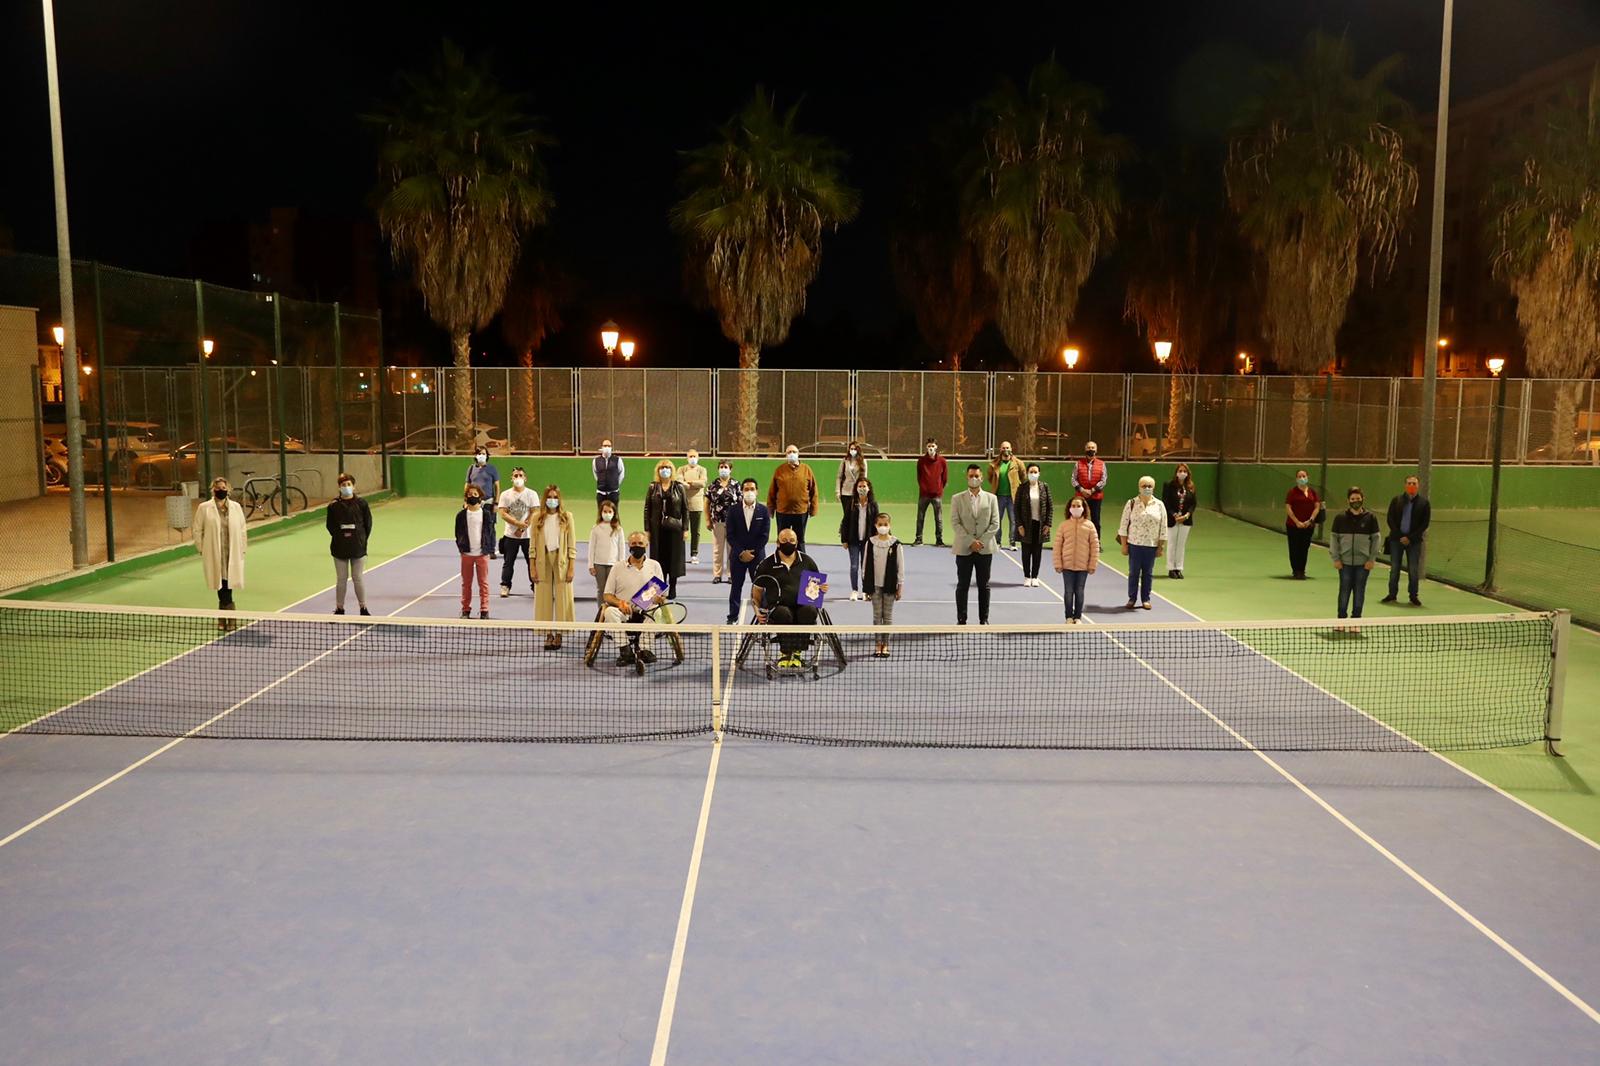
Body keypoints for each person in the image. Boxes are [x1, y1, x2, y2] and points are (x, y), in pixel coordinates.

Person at [753, 528, 828, 669]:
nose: (788, 543)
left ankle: (797, 653)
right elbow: (756, 592)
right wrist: (757, 610)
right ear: (777, 543)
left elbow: (817, 585)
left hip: (802, 605)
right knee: (783, 614)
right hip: (777, 607)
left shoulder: (807, 561)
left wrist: (822, 588)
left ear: (797, 542)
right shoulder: (767, 564)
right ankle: (786, 653)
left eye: (792, 540)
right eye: (784, 540)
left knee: (810, 612)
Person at [602, 531, 667, 667]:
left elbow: (661, 593)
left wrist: (659, 599)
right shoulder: (617, 567)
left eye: (640, 543)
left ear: (646, 545)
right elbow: (607, 595)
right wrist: (620, 603)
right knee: (609, 612)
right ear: (629, 545)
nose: (637, 546)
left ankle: (644, 649)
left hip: (645, 610)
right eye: (633, 544)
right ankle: (625, 651)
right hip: (623, 611)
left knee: (656, 611)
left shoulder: (654, 566)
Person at [529, 484, 577, 649]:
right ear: (545, 499)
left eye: (555, 497)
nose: (552, 500)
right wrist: (532, 567)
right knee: (543, 599)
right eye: (549, 497)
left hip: (561, 561)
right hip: (543, 561)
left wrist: (571, 567)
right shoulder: (537, 518)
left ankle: (560, 634)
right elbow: (533, 545)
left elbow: (572, 545)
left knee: (563, 598)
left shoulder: (567, 517)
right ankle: (548, 634)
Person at [951, 463, 999, 625]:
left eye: (976, 476)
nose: (974, 479)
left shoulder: (992, 499)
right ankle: (961, 618)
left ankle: (983, 618)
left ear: (982, 478)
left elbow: (995, 523)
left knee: (983, 585)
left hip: (985, 550)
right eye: (971, 476)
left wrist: (981, 542)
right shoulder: (957, 498)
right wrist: (971, 542)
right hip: (964, 549)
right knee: (962, 585)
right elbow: (955, 523)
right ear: (967, 477)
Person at [194, 476, 246, 621]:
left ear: (228, 490)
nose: (221, 491)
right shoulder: (204, 508)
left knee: (229, 582)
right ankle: (230, 615)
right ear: (213, 490)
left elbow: (242, 529)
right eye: (218, 488)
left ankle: (224, 615)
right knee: (221, 583)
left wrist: (243, 548)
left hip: (232, 552)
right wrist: (202, 549)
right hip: (214, 552)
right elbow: (197, 530)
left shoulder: (236, 507)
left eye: (224, 488)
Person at [1330, 485, 1382, 629]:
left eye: (1358, 499)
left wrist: (1372, 559)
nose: (1355, 501)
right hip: (1344, 563)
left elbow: (1376, 539)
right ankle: (1341, 620)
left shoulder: (1371, 518)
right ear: (1348, 501)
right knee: (1344, 590)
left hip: (1363, 564)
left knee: (1360, 591)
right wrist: (1336, 558)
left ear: (1362, 499)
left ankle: (1356, 621)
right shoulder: (1340, 518)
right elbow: (1334, 539)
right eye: (1353, 499)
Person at [1117, 475, 1168, 610]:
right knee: (1133, 572)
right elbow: (1123, 525)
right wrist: (1124, 545)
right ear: (1139, 487)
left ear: (1153, 488)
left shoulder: (1159, 505)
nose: (1147, 488)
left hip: (1151, 545)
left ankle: (1146, 599)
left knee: (1148, 573)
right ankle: (1132, 598)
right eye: (1144, 486)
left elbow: (1163, 527)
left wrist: (1160, 547)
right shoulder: (1131, 503)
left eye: (1149, 486)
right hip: (1134, 544)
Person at [325, 472, 372, 616]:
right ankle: (340, 609)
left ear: (354, 486)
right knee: (341, 579)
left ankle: (363, 608)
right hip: (339, 549)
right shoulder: (333, 506)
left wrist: (361, 539)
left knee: (357, 578)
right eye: (343, 485)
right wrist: (341, 537)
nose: (346, 487)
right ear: (339, 488)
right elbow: (330, 526)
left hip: (358, 548)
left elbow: (368, 524)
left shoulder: (362, 504)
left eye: (348, 484)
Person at [725, 477, 771, 623]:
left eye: (752, 489)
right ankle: (732, 617)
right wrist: (741, 553)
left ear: (757, 492)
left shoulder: (763, 511)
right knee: (736, 588)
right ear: (742, 492)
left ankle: (763, 616)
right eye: (746, 489)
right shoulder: (733, 510)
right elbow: (730, 535)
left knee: (759, 586)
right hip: (738, 557)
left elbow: (764, 536)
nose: (749, 492)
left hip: (757, 557)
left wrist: (752, 553)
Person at [1382, 475, 1431, 607]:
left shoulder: (1424, 503)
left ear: (1418, 486)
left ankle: (1413, 596)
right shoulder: (1396, 500)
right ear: (1405, 485)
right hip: (1396, 541)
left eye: (1414, 483)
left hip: (1414, 542)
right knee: (1394, 569)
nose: (1412, 486)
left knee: (1413, 569)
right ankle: (1392, 594)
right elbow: (1390, 519)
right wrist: (1400, 536)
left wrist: (1410, 538)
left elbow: (1424, 524)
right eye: (1409, 483)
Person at [861, 511, 905, 657]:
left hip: (890, 587)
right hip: (874, 587)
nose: (883, 527)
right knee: (876, 616)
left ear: (889, 525)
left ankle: (886, 645)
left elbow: (900, 567)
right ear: (875, 525)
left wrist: (900, 586)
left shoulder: (896, 544)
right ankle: (878, 644)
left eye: (885, 525)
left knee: (887, 617)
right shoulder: (870, 542)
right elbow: (865, 565)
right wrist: (865, 587)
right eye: (880, 524)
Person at [1052, 493, 1100, 623]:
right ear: (1069, 508)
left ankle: (1078, 617)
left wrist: (1092, 564)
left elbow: (1095, 546)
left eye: (1078, 505)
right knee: (1068, 591)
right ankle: (1068, 616)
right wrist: (1058, 563)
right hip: (1067, 566)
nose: (1075, 508)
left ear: (1083, 508)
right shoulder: (1064, 525)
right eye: (1073, 506)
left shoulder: (1090, 526)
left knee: (1079, 591)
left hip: (1083, 566)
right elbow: (1057, 546)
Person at [644, 460, 689, 599]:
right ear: (658, 471)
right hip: (657, 530)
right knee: (658, 559)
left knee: (673, 559)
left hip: (675, 529)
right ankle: (658, 588)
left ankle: (673, 587)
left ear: (672, 470)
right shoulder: (653, 487)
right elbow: (647, 509)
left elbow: (685, 509)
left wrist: (685, 528)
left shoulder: (679, 487)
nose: (665, 470)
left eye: (668, 467)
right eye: (662, 468)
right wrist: (647, 530)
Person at [768, 444, 819, 552]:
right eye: (789, 452)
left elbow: (813, 490)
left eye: (794, 452)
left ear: (798, 454)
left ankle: (801, 565)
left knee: (799, 540)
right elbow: (772, 491)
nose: (792, 454)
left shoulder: (807, 470)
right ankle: (780, 564)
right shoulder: (779, 470)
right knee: (782, 539)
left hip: (801, 512)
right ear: (786, 455)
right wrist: (770, 509)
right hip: (783, 512)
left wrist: (813, 509)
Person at [497, 467, 537, 597]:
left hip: (528, 536)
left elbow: (534, 512)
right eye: (515, 476)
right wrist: (516, 524)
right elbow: (502, 513)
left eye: (520, 475)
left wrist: (522, 528)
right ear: (511, 478)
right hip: (510, 535)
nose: (518, 478)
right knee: (508, 562)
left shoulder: (532, 494)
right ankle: (505, 585)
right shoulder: (505, 494)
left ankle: (535, 586)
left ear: (525, 478)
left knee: (531, 562)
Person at [838, 476, 880, 601]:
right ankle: (854, 590)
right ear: (856, 488)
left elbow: (877, 522)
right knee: (854, 566)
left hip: (868, 541)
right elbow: (845, 522)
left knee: (865, 567)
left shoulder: (873, 505)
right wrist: (844, 540)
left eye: (864, 486)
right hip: (853, 540)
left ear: (869, 488)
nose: (862, 488)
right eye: (860, 486)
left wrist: (877, 539)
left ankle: (866, 591)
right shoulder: (851, 504)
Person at [1013, 462, 1053, 587]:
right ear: (1027, 473)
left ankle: (1035, 577)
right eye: (1031, 472)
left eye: (1035, 472)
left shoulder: (1044, 487)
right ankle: (1027, 576)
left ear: (1039, 473)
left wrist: (1048, 524)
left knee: (1037, 552)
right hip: (1025, 526)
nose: (1033, 474)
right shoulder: (1022, 488)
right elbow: (1016, 508)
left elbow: (1050, 507)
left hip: (1040, 525)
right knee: (1026, 552)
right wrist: (1019, 525)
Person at [455, 486, 492, 618]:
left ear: (480, 497)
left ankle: (484, 610)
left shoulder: (486, 514)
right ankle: (465, 609)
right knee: (466, 584)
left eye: (475, 494)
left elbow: (490, 533)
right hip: (467, 555)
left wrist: (489, 549)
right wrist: (461, 548)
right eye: (470, 494)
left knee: (483, 583)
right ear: (466, 497)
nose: (472, 496)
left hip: (482, 554)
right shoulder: (460, 515)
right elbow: (457, 533)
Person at [1284, 469, 1322, 580]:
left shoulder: (1312, 492)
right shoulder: (1292, 492)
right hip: (1293, 526)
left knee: (1304, 548)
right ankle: (1295, 570)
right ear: (1296, 479)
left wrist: (1310, 520)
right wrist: (1297, 522)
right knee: (1294, 548)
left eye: (1304, 476)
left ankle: (1302, 570)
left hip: (1308, 526)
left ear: (1307, 477)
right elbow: (1288, 507)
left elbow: (1317, 507)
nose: (1302, 478)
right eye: (1300, 476)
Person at [705, 460, 739, 584]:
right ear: (718, 469)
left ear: (730, 469)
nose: (723, 469)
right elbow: (707, 503)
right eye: (721, 467)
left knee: (732, 550)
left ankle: (731, 574)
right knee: (717, 550)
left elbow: (740, 503)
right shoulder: (712, 486)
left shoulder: (736, 485)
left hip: (733, 523)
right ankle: (717, 575)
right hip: (717, 521)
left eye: (726, 467)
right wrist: (708, 519)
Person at [588, 501, 626, 611]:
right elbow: (591, 547)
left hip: (613, 565)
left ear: (614, 513)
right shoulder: (595, 528)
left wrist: (621, 564)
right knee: (601, 589)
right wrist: (591, 564)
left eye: (610, 511)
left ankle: (612, 610)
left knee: (612, 590)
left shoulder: (618, 529)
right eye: (605, 511)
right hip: (598, 564)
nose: (607, 513)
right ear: (601, 512)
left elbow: (621, 547)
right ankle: (601, 611)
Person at [987, 441, 1025, 549]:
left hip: (1013, 497)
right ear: (1000, 449)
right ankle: (998, 542)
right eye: (1003, 448)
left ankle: (1012, 542)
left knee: (1013, 520)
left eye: (1007, 447)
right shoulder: (994, 464)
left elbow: (1023, 476)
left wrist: (1017, 488)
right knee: (997, 519)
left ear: (1011, 449)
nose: (1005, 449)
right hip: (999, 496)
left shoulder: (1018, 463)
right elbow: (990, 477)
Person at [464, 447, 500, 560]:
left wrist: (496, 503)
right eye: (479, 453)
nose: (481, 455)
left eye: (484, 453)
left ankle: (491, 550)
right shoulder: (471, 469)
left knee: (490, 526)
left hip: (489, 502)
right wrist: (466, 501)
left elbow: (497, 486)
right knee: (474, 525)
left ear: (487, 456)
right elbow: (467, 485)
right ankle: (476, 548)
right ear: (475, 455)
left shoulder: (492, 469)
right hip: (474, 503)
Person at [1162, 463, 1196, 580]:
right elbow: (1165, 502)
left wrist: (1186, 515)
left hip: (1186, 521)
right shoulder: (1169, 485)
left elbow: (1193, 504)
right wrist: (1174, 515)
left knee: (1181, 545)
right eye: (1180, 471)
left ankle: (1179, 568)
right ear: (1176, 473)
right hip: (1172, 520)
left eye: (1184, 471)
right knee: (1172, 544)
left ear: (1188, 473)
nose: (1182, 473)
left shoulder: (1190, 487)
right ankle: (1171, 568)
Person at [676, 449, 708, 564]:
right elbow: (679, 482)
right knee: (681, 530)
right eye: (690, 456)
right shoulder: (681, 469)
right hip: (682, 505)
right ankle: (680, 554)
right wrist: (691, 484)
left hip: (697, 505)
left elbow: (703, 483)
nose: (692, 458)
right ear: (687, 457)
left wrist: (689, 483)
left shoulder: (702, 470)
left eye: (694, 456)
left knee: (696, 531)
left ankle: (694, 554)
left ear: (698, 457)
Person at [914, 437, 948, 546]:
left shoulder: (942, 461)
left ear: (936, 447)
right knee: (920, 517)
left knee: (938, 519)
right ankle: (919, 539)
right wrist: (924, 487)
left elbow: (944, 478)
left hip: (937, 495)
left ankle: (939, 540)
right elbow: (919, 476)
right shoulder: (921, 461)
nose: (931, 448)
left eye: (933, 446)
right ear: (926, 447)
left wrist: (939, 489)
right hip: (923, 495)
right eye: (929, 446)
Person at [1072, 442, 1108, 536]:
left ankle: (1096, 542)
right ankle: (1079, 541)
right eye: (1088, 447)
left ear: (1096, 450)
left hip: (1096, 497)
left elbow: (1103, 480)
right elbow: (1073, 479)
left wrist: (1092, 490)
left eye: (1092, 447)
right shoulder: (1078, 464)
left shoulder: (1102, 464)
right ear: (1085, 450)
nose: (1090, 449)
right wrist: (1082, 490)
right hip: (1081, 497)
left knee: (1096, 520)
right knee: (1080, 520)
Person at [836, 441, 868, 516]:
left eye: (854, 449)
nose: (852, 451)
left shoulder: (863, 461)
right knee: (847, 515)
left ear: (858, 450)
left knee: (855, 514)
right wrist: (838, 491)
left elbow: (865, 479)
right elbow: (839, 476)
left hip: (857, 492)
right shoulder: (845, 461)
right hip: (845, 492)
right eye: (851, 449)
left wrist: (864, 492)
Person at [593, 438, 624, 511]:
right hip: (601, 493)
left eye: (609, 446)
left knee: (614, 515)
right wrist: (601, 483)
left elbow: (621, 473)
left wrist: (615, 484)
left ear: (611, 447)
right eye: (605, 445)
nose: (607, 448)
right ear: (602, 447)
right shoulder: (595, 461)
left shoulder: (618, 460)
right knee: (600, 515)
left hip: (613, 493)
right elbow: (595, 474)